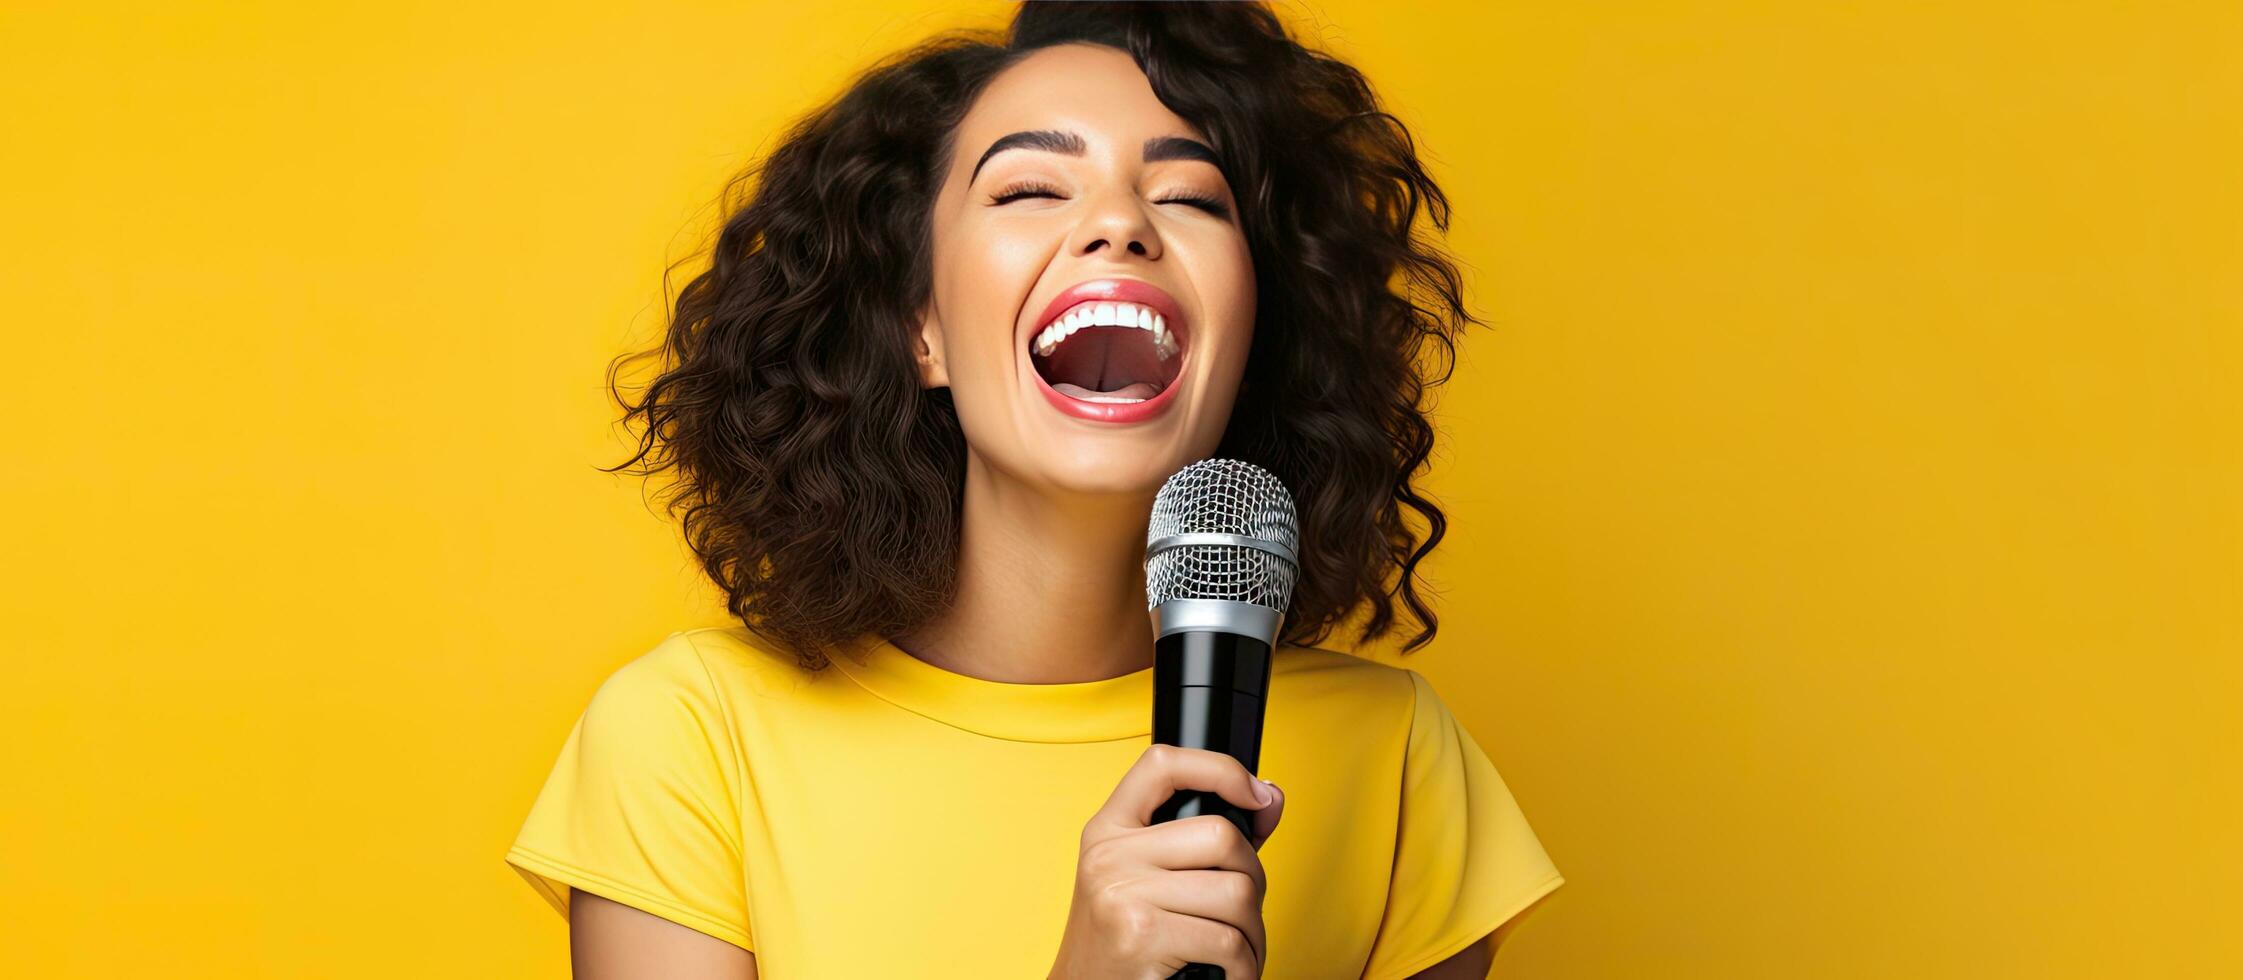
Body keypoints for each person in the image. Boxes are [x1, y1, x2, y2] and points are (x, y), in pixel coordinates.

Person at [505, 3, 1563, 977]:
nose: (1120, 226)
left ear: (1249, 336)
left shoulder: (1390, 762)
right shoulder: (694, 736)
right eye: (1028, 189)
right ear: (920, 329)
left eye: (1189, 196)